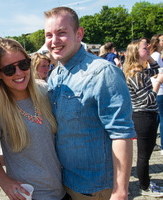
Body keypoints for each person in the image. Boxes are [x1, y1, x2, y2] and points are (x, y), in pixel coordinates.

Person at [44, 7, 136, 200]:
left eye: (61, 33)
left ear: (79, 34)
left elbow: (122, 133)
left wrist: (120, 191)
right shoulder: (55, 75)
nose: (54, 41)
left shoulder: (103, 72)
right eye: (49, 35)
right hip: (66, 182)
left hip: (95, 187)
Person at [0, 38, 66, 200]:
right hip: (31, 195)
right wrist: (3, 179)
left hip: (65, 189)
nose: (19, 73)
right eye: (9, 69)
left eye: (23, 64)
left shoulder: (45, 91)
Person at [123, 39, 163, 197]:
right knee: (144, 155)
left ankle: (145, 183)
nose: (148, 49)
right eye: (144, 48)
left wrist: (149, 58)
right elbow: (146, 99)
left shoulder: (140, 69)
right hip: (143, 116)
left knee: (145, 154)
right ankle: (145, 186)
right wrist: (158, 83)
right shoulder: (135, 73)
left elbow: (155, 70)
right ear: (135, 52)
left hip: (147, 115)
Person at [150, 34, 163, 155]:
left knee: (158, 118)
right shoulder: (157, 55)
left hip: (157, 90)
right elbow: (157, 72)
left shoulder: (156, 55)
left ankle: (152, 142)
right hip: (158, 90)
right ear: (157, 42)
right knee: (161, 118)